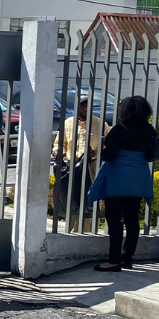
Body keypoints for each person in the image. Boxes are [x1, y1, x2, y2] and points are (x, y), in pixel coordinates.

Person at [87, 96, 158, 272]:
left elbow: (109, 156)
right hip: (138, 179)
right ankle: (127, 258)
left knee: (114, 219)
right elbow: (150, 155)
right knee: (133, 220)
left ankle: (113, 260)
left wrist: (103, 149)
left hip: (118, 178)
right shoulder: (149, 130)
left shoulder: (119, 129)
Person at [53, 95, 108, 232]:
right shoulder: (68, 123)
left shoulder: (100, 124)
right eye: (83, 104)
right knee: (72, 200)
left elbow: (109, 145)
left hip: (92, 168)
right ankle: (69, 231)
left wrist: (96, 152)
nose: (85, 108)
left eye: (88, 105)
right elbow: (59, 144)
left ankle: (88, 233)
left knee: (90, 200)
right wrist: (58, 152)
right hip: (72, 167)